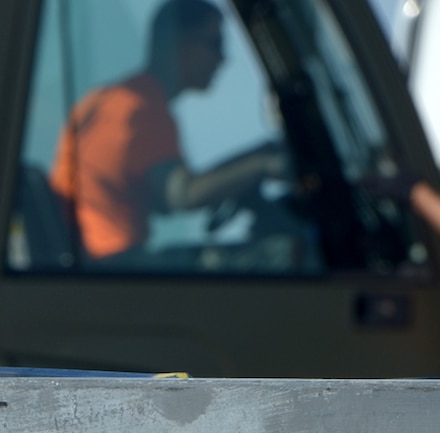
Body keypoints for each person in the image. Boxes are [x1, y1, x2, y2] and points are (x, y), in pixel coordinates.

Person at [48, 0, 285, 261]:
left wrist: (257, 156)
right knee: (279, 257)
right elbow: (182, 194)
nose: (223, 58)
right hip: (114, 265)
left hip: (99, 263)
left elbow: (163, 198)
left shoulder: (114, 100)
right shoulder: (137, 108)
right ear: (178, 42)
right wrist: (264, 165)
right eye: (214, 44)